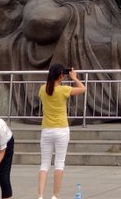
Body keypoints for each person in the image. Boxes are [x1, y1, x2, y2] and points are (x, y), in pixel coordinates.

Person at [36, 63, 86, 199]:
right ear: (61, 76)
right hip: (61, 130)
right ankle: (55, 195)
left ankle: (40, 195)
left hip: (46, 130)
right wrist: (74, 77)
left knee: (44, 164)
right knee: (59, 163)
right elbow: (83, 88)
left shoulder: (42, 89)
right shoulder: (64, 90)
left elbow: (47, 91)